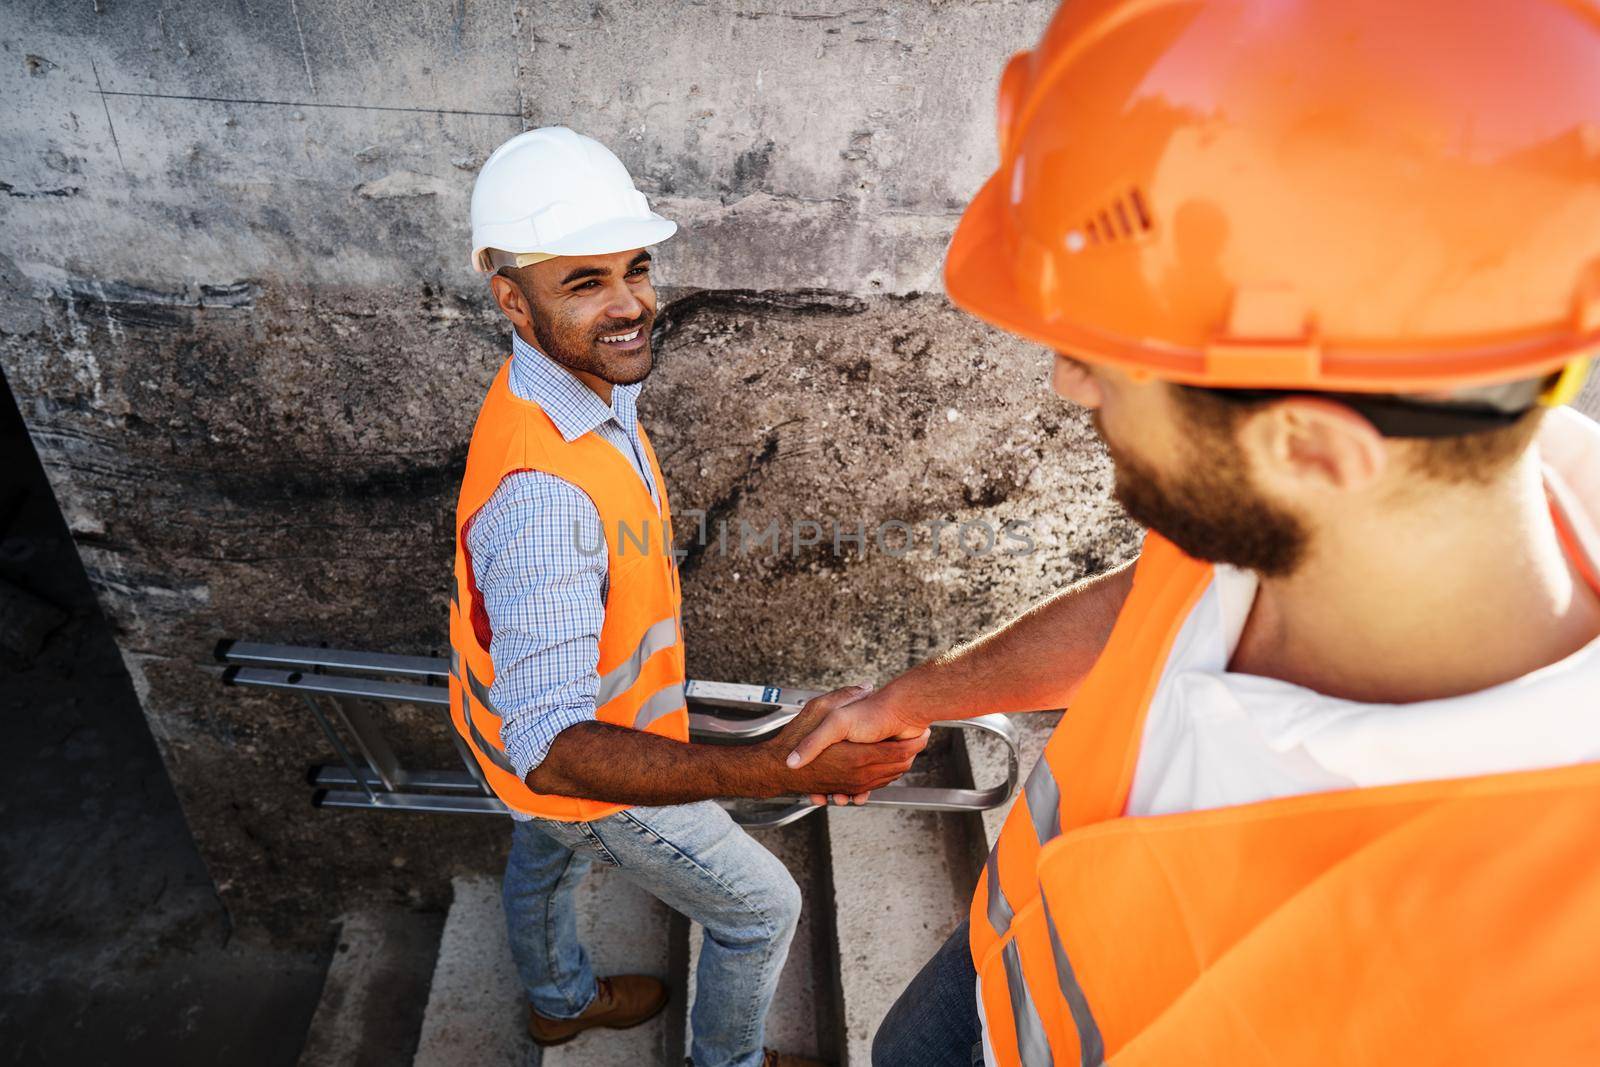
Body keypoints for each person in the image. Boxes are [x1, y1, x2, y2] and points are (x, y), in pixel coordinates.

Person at [782, 2, 1600, 1063]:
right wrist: (916, 696)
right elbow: (1148, 604)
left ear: (1306, 444)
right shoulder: (1288, 520)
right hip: (984, 988)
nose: (1065, 377)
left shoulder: (1513, 984)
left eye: (1106, 360)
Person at [448, 126, 926, 1067]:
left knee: (544, 853)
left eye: (635, 268)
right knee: (761, 907)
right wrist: (779, 770)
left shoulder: (564, 390)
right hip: (579, 762)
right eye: (584, 282)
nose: (631, 305)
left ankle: (557, 1003)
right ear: (511, 299)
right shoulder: (545, 494)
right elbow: (553, 755)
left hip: (506, 725)